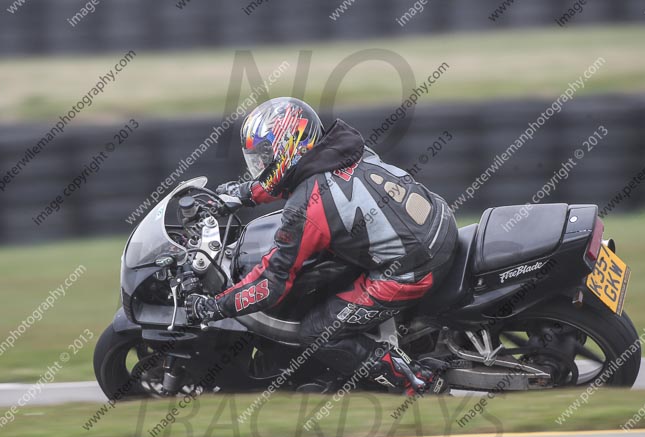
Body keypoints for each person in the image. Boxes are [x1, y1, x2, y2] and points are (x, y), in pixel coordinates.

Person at [185, 97, 457, 395]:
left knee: (318, 331)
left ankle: (418, 383)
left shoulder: (306, 208)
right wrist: (241, 194)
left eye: (264, 155)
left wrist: (214, 306)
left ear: (289, 147)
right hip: (437, 220)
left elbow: (269, 285)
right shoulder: (344, 148)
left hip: (416, 267)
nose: (259, 165)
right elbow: (296, 179)